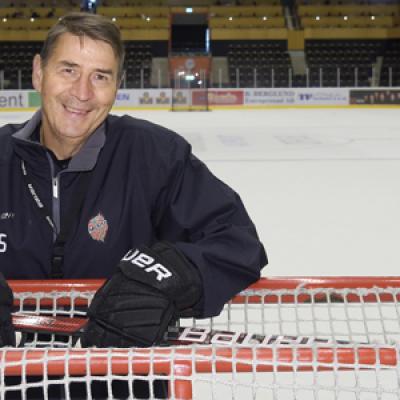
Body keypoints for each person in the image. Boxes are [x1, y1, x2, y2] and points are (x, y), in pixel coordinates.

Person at [0, 12, 267, 398]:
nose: (82, 92)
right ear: (39, 73)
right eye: (69, 70)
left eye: (100, 76)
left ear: (117, 86)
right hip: (16, 384)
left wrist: (166, 276)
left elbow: (236, 242)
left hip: (125, 385)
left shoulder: (155, 155)